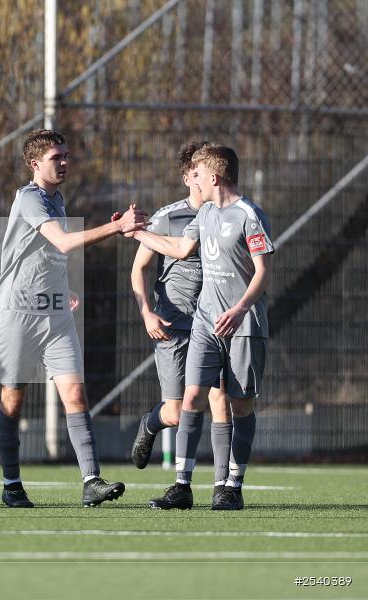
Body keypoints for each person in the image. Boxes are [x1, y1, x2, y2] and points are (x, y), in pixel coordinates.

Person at [0, 129, 147, 508]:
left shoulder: (56, 198)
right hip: (18, 313)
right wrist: (117, 226)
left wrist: (64, 288)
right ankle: (12, 484)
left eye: (66, 156)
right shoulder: (29, 198)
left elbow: (47, 254)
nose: (64, 163)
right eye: (56, 157)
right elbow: (62, 242)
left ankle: (91, 481)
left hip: (55, 313)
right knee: (12, 401)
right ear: (34, 163)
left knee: (75, 394)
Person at [131, 143, 273, 511]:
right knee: (191, 399)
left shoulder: (249, 215)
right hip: (205, 324)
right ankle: (182, 486)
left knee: (238, 405)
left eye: (199, 174)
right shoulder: (206, 212)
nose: (194, 180)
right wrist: (135, 232)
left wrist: (241, 309)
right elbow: (180, 248)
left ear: (216, 177)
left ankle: (231, 487)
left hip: (242, 325)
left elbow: (263, 272)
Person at [128, 141, 231, 506]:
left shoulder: (227, 214)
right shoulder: (167, 217)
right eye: (195, 172)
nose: (201, 179)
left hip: (214, 325)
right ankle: (151, 422)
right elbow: (139, 269)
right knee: (177, 411)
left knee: (220, 400)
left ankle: (223, 488)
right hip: (174, 325)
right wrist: (146, 311)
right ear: (188, 177)